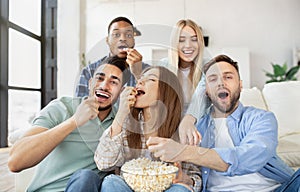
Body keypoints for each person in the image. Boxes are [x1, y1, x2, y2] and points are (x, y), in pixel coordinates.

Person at [147, 55, 300, 192]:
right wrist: (184, 179)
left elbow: (249, 157)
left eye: (228, 77)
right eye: (213, 79)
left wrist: (183, 151)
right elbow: (194, 179)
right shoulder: (195, 128)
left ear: (240, 85)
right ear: (205, 90)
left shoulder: (261, 118)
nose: (220, 83)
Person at [8, 56, 130, 192]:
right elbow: (15, 162)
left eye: (113, 82)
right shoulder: (61, 107)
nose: (104, 86)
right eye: (100, 78)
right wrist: (74, 121)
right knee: (86, 176)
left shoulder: (119, 124)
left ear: (121, 92)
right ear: (90, 83)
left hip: (87, 187)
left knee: (87, 177)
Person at [94, 66, 202, 192]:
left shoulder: (182, 128)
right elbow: (103, 163)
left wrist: (186, 179)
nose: (139, 82)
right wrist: (121, 113)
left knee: (181, 190)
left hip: (167, 189)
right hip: (129, 188)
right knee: (111, 182)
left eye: (151, 79)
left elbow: (196, 178)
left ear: (166, 90)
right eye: (140, 79)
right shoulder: (126, 123)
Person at [75, 16, 148, 97]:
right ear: (107, 40)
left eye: (129, 35)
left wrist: (138, 75)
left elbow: (154, 105)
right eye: (116, 34)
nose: (123, 39)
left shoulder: (149, 71)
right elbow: (80, 106)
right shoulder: (89, 71)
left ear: (134, 41)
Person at [160, 19, 210, 114]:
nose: (188, 45)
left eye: (194, 39)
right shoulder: (163, 65)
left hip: (200, 124)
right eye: (181, 40)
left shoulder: (207, 66)